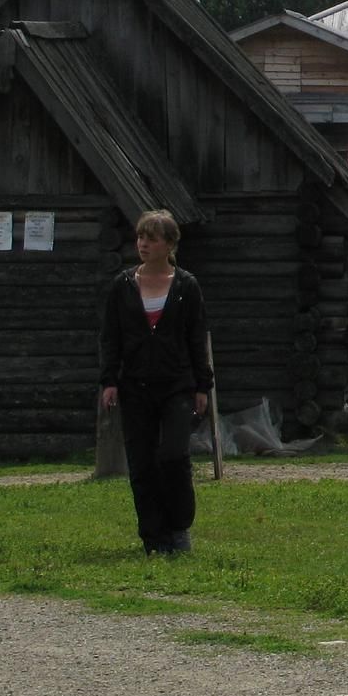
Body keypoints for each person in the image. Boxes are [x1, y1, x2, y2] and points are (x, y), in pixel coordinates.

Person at [99, 210, 211, 557]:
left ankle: (178, 528)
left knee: (174, 455)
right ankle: (153, 537)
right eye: (140, 237)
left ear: (170, 245)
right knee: (142, 461)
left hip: (177, 384)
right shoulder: (122, 285)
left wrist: (202, 386)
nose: (143, 244)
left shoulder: (186, 286)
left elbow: (196, 337)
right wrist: (109, 381)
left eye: (152, 238)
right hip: (134, 385)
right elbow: (111, 336)